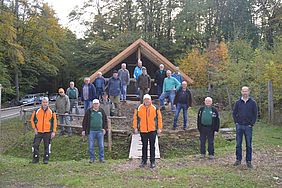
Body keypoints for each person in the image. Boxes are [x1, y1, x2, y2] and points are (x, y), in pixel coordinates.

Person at [133, 94, 163, 169]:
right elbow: (135, 118)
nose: (147, 101)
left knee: (152, 146)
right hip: (143, 130)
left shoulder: (155, 108)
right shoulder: (139, 108)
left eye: (148, 99)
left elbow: (159, 118)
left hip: (152, 130)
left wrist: (159, 128)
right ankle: (144, 161)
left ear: (150, 100)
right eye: (145, 99)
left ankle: (152, 161)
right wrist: (135, 127)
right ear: (143, 101)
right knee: (144, 146)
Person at [233, 86, 257, 168]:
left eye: (246, 91)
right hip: (239, 126)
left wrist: (251, 124)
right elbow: (234, 113)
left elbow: (255, 114)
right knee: (238, 144)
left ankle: (248, 161)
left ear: (249, 92)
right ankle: (238, 160)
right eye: (243, 91)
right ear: (241, 92)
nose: (245, 92)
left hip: (248, 127)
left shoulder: (253, 102)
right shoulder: (238, 102)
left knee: (249, 145)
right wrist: (236, 122)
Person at [30, 97, 57, 164]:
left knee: (47, 146)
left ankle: (46, 159)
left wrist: (53, 131)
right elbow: (32, 120)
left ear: (48, 103)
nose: (45, 104)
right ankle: (35, 159)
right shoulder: (36, 111)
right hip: (38, 131)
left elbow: (55, 122)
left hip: (48, 132)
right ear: (41, 103)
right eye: (43, 102)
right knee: (35, 145)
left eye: (46, 102)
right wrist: (34, 128)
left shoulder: (52, 111)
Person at [82, 99, 108, 163]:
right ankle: (92, 158)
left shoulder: (102, 111)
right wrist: (83, 130)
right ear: (92, 104)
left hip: (100, 131)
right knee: (91, 146)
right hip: (91, 131)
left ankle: (101, 158)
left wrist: (104, 128)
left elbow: (105, 121)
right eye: (94, 104)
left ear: (99, 104)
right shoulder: (89, 111)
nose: (96, 105)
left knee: (101, 146)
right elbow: (84, 121)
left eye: (97, 104)